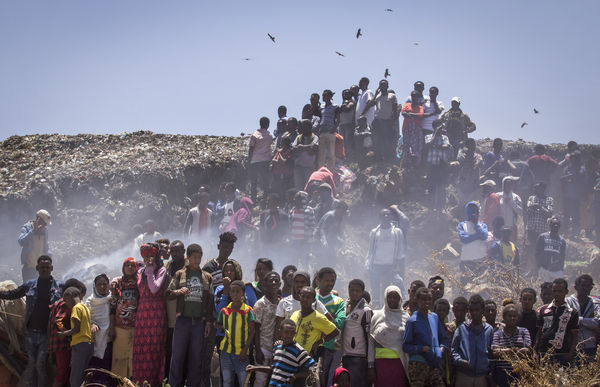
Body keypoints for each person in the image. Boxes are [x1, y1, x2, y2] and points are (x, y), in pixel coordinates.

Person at [0, 255, 61, 387]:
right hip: (31, 333)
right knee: (32, 365)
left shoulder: (59, 288)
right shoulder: (29, 285)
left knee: (40, 364)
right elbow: (11, 295)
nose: (44, 269)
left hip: (47, 334)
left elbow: (73, 293)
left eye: (47, 267)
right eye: (42, 267)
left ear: (51, 268)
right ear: (37, 268)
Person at [166, 243, 214, 387]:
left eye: (199, 257)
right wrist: (178, 292)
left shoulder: (207, 277)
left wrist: (208, 323)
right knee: (177, 357)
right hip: (182, 321)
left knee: (196, 358)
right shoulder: (180, 274)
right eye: (194, 257)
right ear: (188, 257)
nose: (197, 260)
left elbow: (210, 301)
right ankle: (173, 384)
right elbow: (168, 294)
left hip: (199, 322)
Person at [132, 243, 168, 386]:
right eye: (145, 256)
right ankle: (139, 383)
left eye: (151, 255)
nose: (148, 258)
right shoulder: (140, 271)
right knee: (141, 350)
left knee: (153, 350)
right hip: (142, 314)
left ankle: (153, 382)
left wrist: (150, 270)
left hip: (156, 315)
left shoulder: (161, 269)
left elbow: (154, 289)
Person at [246, 319, 316, 387]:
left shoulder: (298, 351)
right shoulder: (277, 348)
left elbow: (314, 369)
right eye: (286, 332)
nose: (289, 335)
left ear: (295, 334)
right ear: (280, 332)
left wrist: (295, 376)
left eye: (292, 333)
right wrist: (254, 368)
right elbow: (273, 369)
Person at [402, 287, 449, 387]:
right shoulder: (413, 321)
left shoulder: (434, 317)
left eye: (429, 299)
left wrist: (441, 349)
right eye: (423, 299)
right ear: (417, 300)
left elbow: (444, 338)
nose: (427, 302)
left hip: (434, 363)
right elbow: (405, 346)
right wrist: (420, 348)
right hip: (418, 365)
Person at [368, 285, 409, 387]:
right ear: (385, 298)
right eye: (389, 296)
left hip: (399, 362)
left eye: (395, 297)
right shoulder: (377, 316)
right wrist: (371, 366)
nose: (392, 299)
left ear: (400, 299)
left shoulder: (405, 317)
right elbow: (371, 343)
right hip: (381, 363)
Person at [217, 280, 256, 387]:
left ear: (243, 293)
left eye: (237, 291)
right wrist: (223, 328)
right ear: (229, 293)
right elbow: (218, 324)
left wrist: (245, 350)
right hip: (226, 352)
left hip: (242, 353)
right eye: (232, 291)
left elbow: (252, 332)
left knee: (244, 382)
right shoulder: (224, 311)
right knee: (227, 382)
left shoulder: (248, 311)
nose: (235, 294)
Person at [48, 278, 85, 387]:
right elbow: (58, 321)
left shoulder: (59, 301)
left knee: (64, 372)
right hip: (62, 345)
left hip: (56, 344)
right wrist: (67, 334)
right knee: (62, 374)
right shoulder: (66, 303)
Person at [451, 294, 493, 387]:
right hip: (464, 375)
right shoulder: (462, 329)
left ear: (482, 310)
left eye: (477, 310)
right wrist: (460, 361)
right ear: (469, 311)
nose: (475, 313)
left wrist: (490, 371)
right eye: (472, 310)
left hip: (482, 376)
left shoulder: (489, 329)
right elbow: (454, 350)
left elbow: (491, 352)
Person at [366, 209, 406, 306]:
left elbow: (400, 250)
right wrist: (367, 265)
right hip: (376, 264)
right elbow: (370, 250)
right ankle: (376, 305)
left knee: (398, 282)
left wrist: (398, 265)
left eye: (388, 215)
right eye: (384, 215)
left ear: (391, 217)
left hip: (391, 265)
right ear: (380, 218)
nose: (386, 217)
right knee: (375, 287)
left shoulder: (397, 232)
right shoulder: (375, 232)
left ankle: (404, 303)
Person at [535, 278, 579, 366]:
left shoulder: (572, 312)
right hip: (544, 353)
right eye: (555, 291)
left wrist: (570, 354)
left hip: (562, 354)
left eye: (560, 291)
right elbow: (539, 332)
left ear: (566, 291)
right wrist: (535, 350)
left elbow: (574, 335)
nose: (557, 294)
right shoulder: (544, 310)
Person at [274, 271, 330, 339]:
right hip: (288, 346)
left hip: (308, 347)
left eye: (303, 282)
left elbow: (330, 322)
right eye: (297, 282)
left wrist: (319, 340)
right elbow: (278, 327)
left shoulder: (315, 303)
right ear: (293, 284)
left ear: (308, 284)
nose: (300, 285)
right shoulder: (284, 302)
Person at [109, 257, 139, 379]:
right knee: (119, 356)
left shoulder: (139, 283)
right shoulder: (118, 284)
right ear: (123, 268)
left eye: (132, 265)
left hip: (136, 326)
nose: (130, 268)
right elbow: (113, 306)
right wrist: (112, 326)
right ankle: (118, 382)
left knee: (133, 357)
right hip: (120, 326)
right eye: (128, 265)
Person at [316, 267, 347, 387]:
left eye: (332, 280)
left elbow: (339, 324)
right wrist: (330, 318)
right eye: (326, 280)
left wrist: (319, 321)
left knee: (329, 379)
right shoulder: (310, 297)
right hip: (312, 346)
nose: (330, 283)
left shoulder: (338, 301)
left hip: (331, 347)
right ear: (318, 281)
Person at [290, 286, 340, 357]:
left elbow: (335, 332)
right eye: (303, 296)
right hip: (291, 354)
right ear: (299, 297)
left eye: (308, 297)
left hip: (307, 356)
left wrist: (318, 342)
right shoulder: (294, 314)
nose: (305, 299)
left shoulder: (318, 317)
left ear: (313, 300)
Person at [253, 271, 283, 387]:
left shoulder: (282, 303)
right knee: (260, 380)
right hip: (263, 347)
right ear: (265, 284)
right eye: (271, 281)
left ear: (280, 283)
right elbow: (256, 329)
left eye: (276, 280)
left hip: (278, 347)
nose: (274, 283)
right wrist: (258, 350)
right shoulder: (260, 304)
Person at [59, 286, 93, 387]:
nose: (67, 305)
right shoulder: (85, 307)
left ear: (69, 296)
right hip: (89, 344)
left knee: (75, 377)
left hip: (80, 344)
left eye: (66, 301)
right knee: (83, 375)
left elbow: (76, 329)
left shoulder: (76, 308)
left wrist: (63, 334)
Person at [342, 279, 374, 387]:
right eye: (352, 290)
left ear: (362, 292)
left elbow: (369, 338)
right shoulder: (345, 306)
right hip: (345, 356)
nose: (354, 293)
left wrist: (370, 365)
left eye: (357, 291)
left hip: (359, 358)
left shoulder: (365, 311)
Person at [491, 303, 531, 387]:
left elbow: (527, 350)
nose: (512, 318)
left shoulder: (524, 332)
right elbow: (495, 353)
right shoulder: (498, 334)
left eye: (514, 316)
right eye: (509, 316)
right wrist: (513, 350)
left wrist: (505, 352)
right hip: (502, 374)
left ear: (518, 318)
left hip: (520, 374)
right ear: (504, 317)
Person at [566, 274, 600, 360]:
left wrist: (578, 320)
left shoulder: (595, 303)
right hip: (571, 345)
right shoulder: (568, 302)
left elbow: (597, 323)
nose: (585, 288)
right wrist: (589, 321)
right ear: (576, 287)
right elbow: (566, 320)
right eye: (583, 285)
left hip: (590, 346)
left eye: (588, 286)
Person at [85, 274, 112, 371]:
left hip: (109, 338)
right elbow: (86, 318)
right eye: (99, 284)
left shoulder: (112, 299)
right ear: (94, 286)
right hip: (95, 338)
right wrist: (92, 323)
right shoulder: (89, 301)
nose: (102, 287)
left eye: (105, 284)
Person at [458, 202, 490, 283]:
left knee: (480, 284)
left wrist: (476, 225)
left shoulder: (482, 225)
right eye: (472, 210)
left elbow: (484, 236)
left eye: (476, 211)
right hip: (466, 260)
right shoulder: (462, 225)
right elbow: (463, 239)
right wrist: (477, 236)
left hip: (480, 260)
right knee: (466, 284)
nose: (474, 213)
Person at [423, 120, 452, 210]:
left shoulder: (445, 137)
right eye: (438, 127)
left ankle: (440, 208)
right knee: (431, 187)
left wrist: (436, 147)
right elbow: (428, 145)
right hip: (432, 165)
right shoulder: (428, 136)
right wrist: (435, 133)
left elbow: (446, 146)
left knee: (441, 188)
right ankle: (431, 208)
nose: (440, 129)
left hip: (442, 166)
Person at [367, 79, 398, 162]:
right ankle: (378, 159)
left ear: (387, 86)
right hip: (377, 121)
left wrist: (393, 121)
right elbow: (370, 105)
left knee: (387, 141)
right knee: (377, 140)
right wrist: (376, 93)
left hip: (387, 121)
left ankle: (387, 159)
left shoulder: (392, 96)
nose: (383, 86)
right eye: (381, 85)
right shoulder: (377, 97)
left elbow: (395, 109)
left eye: (384, 85)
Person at [526, 182, 554, 270]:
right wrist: (533, 208)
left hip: (542, 230)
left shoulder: (549, 199)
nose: (535, 190)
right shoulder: (531, 198)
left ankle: (541, 268)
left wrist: (539, 207)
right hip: (531, 229)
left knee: (541, 250)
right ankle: (532, 269)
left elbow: (549, 213)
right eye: (535, 188)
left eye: (537, 188)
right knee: (531, 249)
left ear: (543, 189)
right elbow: (528, 211)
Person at [18, 209, 51, 282]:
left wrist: (50, 256)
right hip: (29, 268)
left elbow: (45, 246)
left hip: (40, 268)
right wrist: (33, 231)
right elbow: (21, 241)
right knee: (28, 289)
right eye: (44, 223)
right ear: (39, 220)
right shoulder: (27, 228)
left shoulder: (45, 231)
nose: (45, 226)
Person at [248, 116, 274, 202]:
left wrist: (249, 161)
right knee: (265, 182)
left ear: (260, 124)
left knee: (254, 182)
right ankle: (265, 199)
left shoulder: (254, 135)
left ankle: (253, 200)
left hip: (254, 161)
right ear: (268, 125)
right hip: (264, 162)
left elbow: (251, 149)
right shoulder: (269, 136)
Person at [561, 150, 586, 234]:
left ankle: (576, 232)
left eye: (576, 158)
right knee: (566, 213)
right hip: (567, 195)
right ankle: (566, 231)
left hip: (577, 195)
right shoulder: (567, 168)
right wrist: (567, 178)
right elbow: (562, 179)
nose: (573, 159)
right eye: (572, 158)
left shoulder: (582, 168)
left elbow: (579, 176)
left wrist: (568, 177)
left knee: (576, 214)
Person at [535, 216, 567, 281]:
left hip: (557, 272)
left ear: (559, 226)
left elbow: (562, 256)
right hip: (544, 269)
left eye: (557, 224)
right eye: (553, 224)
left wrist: (561, 269)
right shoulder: (542, 237)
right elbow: (537, 252)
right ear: (550, 225)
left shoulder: (562, 240)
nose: (555, 225)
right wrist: (539, 266)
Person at [292, 119, 319, 190]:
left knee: (309, 187)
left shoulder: (315, 137)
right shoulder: (298, 137)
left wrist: (301, 147)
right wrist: (307, 148)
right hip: (298, 166)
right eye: (302, 126)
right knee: (299, 188)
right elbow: (293, 148)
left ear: (310, 127)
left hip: (309, 167)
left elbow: (314, 147)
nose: (302, 128)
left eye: (304, 126)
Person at [456, 138, 484, 206]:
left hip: (473, 184)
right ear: (467, 146)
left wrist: (477, 162)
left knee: (471, 204)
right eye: (471, 145)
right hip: (463, 183)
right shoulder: (462, 155)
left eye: (474, 145)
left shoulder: (478, 156)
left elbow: (481, 164)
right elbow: (459, 161)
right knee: (462, 203)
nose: (473, 147)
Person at [317, 89, 340, 172]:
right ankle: (321, 170)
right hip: (322, 132)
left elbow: (338, 119)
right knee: (321, 154)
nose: (323, 97)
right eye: (323, 95)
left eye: (325, 95)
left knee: (331, 154)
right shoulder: (322, 107)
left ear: (330, 96)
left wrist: (333, 129)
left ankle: (330, 170)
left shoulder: (335, 106)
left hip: (330, 132)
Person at [401, 91, 425, 167]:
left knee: (416, 147)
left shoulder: (420, 107)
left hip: (417, 129)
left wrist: (410, 114)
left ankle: (416, 166)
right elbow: (403, 113)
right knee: (406, 146)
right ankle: (406, 165)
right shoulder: (407, 104)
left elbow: (420, 115)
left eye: (416, 96)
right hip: (407, 128)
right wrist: (414, 115)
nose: (414, 97)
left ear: (418, 98)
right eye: (413, 96)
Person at [496, 176, 522, 242]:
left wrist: (511, 203)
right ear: (503, 185)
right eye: (506, 184)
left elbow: (520, 211)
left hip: (511, 225)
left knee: (510, 243)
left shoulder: (516, 197)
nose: (508, 186)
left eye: (510, 184)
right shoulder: (498, 196)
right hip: (500, 225)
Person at [339, 89, 357, 158]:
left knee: (348, 142)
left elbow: (347, 108)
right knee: (343, 143)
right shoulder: (343, 103)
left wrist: (344, 106)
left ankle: (350, 158)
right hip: (342, 125)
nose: (344, 95)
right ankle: (344, 157)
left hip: (349, 125)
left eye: (346, 94)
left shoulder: (351, 102)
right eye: (343, 94)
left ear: (350, 95)